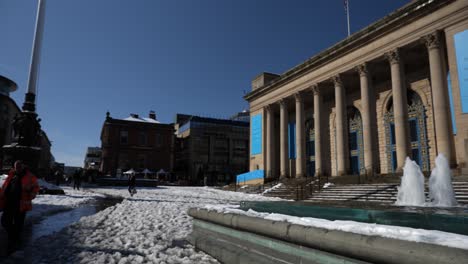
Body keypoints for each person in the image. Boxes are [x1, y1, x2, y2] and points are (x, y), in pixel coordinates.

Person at [0, 160, 39, 255]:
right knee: (4, 221)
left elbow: (36, 188)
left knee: (18, 224)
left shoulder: (30, 176)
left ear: (22, 166)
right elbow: (5, 187)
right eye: (16, 167)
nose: (17, 168)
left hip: (21, 204)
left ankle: (14, 244)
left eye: (19, 167)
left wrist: (30, 195)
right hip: (9, 203)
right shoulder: (11, 175)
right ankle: (13, 237)